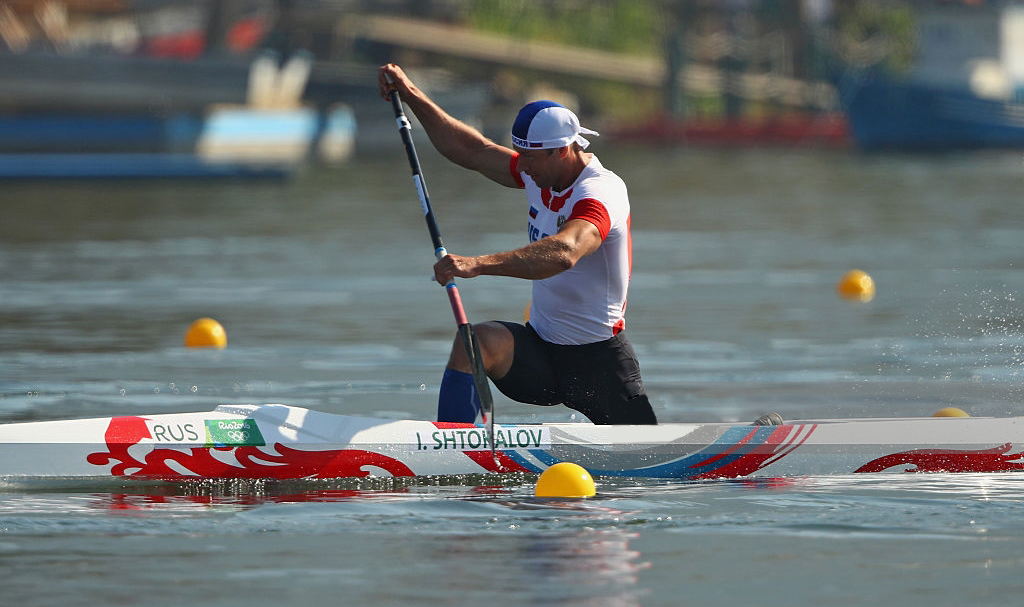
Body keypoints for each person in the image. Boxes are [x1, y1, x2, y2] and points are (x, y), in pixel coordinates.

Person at [378, 63, 657, 426]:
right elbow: (471, 150)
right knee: (473, 342)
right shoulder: (538, 174)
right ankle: (453, 444)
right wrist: (410, 93)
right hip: (539, 354)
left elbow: (565, 252)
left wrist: (477, 264)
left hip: (599, 363)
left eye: (528, 156)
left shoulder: (601, 191)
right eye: (518, 154)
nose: (521, 166)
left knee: (655, 459)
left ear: (561, 151)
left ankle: (753, 438)